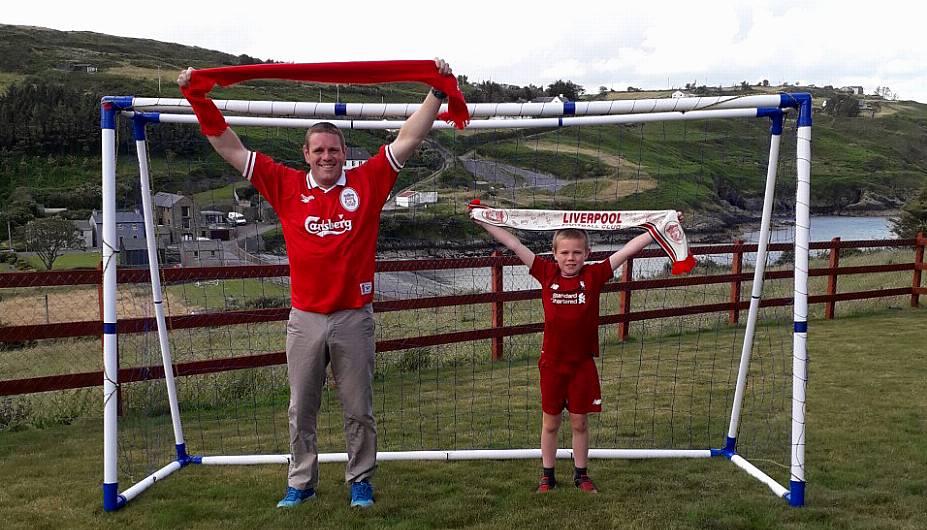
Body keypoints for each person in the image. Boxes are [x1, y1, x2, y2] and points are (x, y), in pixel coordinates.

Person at [178, 59, 456, 509]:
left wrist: (437, 93)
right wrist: (198, 98)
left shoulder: (368, 181)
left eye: (334, 149)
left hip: (353, 318)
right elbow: (229, 147)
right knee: (300, 410)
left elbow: (409, 138)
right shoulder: (284, 185)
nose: (327, 156)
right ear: (305, 154)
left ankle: (360, 480)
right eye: (318, 150)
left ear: (343, 152)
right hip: (304, 319)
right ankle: (301, 483)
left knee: (358, 409)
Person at [472, 212, 680, 493]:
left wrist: (662, 224)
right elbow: (516, 245)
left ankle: (581, 474)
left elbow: (628, 249)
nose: (571, 258)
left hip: (582, 365)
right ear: (554, 254)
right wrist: (483, 221)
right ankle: (548, 475)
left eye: (577, 252)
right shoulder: (546, 273)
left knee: (580, 423)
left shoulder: (594, 275)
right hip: (552, 364)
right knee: (551, 423)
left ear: (587, 254)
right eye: (565, 252)